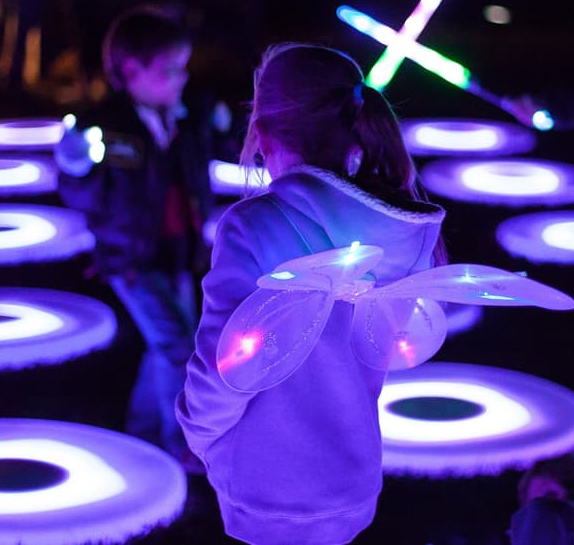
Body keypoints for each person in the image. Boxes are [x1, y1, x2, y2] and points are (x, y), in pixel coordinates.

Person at [176, 44, 446, 545]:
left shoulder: (253, 226)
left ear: (262, 132)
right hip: (352, 481)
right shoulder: (407, 227)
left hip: (264, 488)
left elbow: (226, 366)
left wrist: (198, 432)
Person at [55, 10, 225, 465]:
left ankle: (144, 431)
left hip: (181, 253)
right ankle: (180, 447)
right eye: (169, 70)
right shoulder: (106, 127)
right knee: (177, 345)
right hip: (131, 259)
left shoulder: (186, 119)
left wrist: (218, 125)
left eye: (183, 68)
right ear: (130, 72)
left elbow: (204, 164)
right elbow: (86, 195)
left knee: (167, 343)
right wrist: (75, 167)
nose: (180, 78)